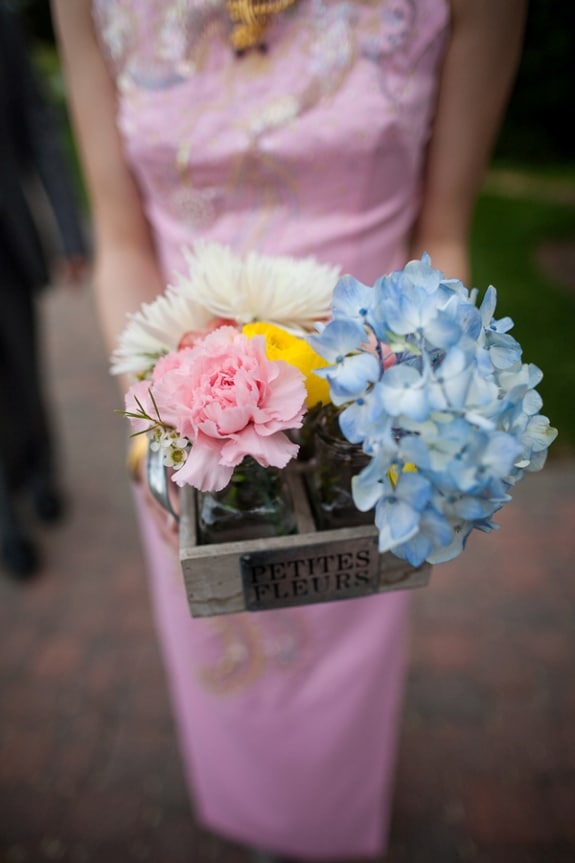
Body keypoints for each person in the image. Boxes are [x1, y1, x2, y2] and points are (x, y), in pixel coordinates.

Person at [51, 1, 527, 860]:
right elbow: (120, 239)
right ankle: (248, 816)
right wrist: (149, 430)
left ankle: (332, 823)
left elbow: (443, 232)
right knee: (221, 643)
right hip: (185, 429)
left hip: (367, 436)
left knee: (342, 663)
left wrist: (429, 408)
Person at [0, 4, 89, 580]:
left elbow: (36, 122)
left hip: (5, 246)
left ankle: (39, 472)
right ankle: (6, 522)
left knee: (24, 374)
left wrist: (69, 231)